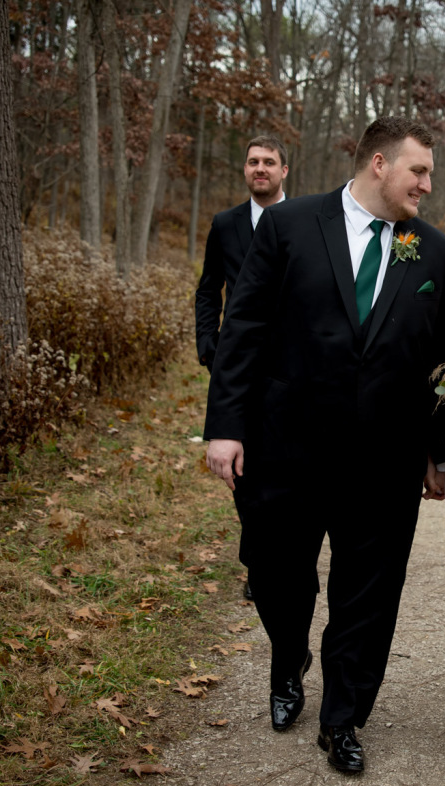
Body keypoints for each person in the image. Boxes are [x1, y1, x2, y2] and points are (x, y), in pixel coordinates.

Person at [203, 117, 445, 775]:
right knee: (277, 577)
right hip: (284, 446)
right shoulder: (291, 228)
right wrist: (225, 426)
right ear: (379, 163)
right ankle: (287, 662)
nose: (427, 186)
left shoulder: (431, 252)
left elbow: (440, 360)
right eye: (419, 172)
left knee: (368, 595)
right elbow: (245, 329)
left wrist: (437, 451)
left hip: (384, 460)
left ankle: (342, 717)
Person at [195, 135, 289, 602]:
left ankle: (281, 555)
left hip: (291, 369)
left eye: (268, 162)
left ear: (283, 171)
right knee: (241, 470)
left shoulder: (303, 222)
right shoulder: (226, 224)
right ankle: (258, 560)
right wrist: (209, 347)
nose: (260, 169)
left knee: (281, 468)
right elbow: (208, 289)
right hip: (237, 367)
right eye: (252, 162)